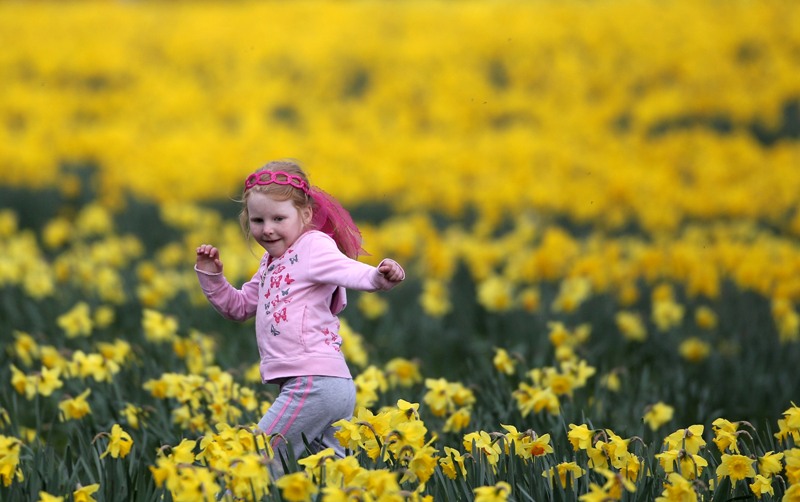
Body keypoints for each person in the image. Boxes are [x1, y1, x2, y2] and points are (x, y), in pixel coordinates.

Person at [194, 159, 405, 476]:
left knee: (255, 462)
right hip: (327, 384)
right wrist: (212, 277)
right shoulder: (271, 262)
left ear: (305, 215)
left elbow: (348, 269)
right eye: (257, 220)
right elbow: (238, 307)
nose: (267, 228)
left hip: (313, 383)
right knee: (332, 480)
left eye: (278, 218)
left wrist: (378, 276)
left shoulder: (312, 246)